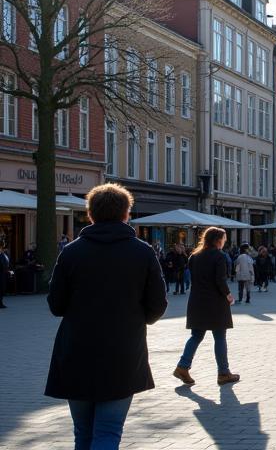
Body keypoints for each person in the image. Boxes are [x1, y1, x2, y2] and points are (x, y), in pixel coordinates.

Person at [45, 182, 167, 449]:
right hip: (123, 351)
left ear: (90, 214)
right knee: (108, 431)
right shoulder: (142, 252)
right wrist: (136, 319)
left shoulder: (71, 252)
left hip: (76, 349)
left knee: (83, 433)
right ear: (126, 214)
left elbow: (56, 304)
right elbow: (158, 303)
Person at [174, 227, 239, 387]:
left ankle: (182, 366)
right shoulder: (219, 256)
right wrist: (228, 295)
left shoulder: (194, 256)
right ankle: (223, 373)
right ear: (217, 240)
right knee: (220, 337)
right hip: (215, 303)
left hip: (197, 301)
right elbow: (220, 280)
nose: (225, 241)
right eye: (224, 238)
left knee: (196, 336)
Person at [0, 241, 10, 308]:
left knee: (2, 288)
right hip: (0, 273)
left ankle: (1, 302)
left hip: (3, 273)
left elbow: (7, 263)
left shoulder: (5, 255)